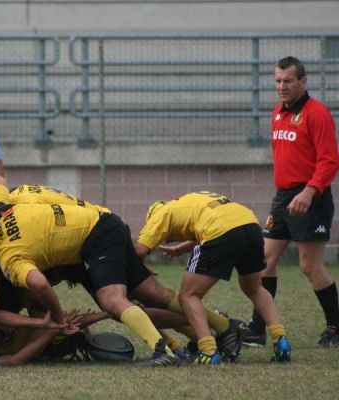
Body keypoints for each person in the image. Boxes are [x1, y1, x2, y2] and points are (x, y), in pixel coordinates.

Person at [0, 176, 183, 366]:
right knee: (133, 301)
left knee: (118, 303)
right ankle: (193, 330)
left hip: (88, 239)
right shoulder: (16, 203)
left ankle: (172, 344)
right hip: (96, 232)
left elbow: (43, 293)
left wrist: (58, 322)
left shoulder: (19, 224)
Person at [243, 56, 339, 349]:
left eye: (287, 81)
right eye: (278, 81)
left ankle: (335, 327)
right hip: (284, 198)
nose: (282, 87)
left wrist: (309, 191)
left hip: (311, 197)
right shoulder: (277, 113)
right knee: (263, 263)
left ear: (303, 82)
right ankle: (258, 329)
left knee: (309, 266)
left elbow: (330, 160)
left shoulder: (317, 113)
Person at [135, 192, 292, 364]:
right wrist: (180, 249)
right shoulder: (187, 202)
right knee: (255, 288)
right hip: (250, 224)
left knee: (188, 296)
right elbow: (207, 225)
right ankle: (281, 339)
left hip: (221, 230)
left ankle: (209, 351)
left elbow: (140, 251)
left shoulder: (160, 215)